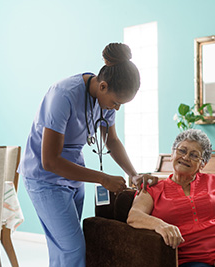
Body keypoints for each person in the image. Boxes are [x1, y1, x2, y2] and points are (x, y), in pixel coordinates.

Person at [17, 43, 157, 267]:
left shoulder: (105, 102)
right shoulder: (63, 95)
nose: (116, 109)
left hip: (74, 175)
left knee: (63, 250)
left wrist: (133, 173)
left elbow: (111, 140)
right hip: (44, 177)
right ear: (103, 86)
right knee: (73, 248)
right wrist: (103, 178)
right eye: (116, 102)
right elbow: (50, 160)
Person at [127, 129, 215, 267]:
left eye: (194, 155)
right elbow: (134, 216)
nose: (185, 157)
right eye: (182, 151)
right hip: (188, 260)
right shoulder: (153, 188)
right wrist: (161, 225)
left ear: (203, 164)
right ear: (172, 154)